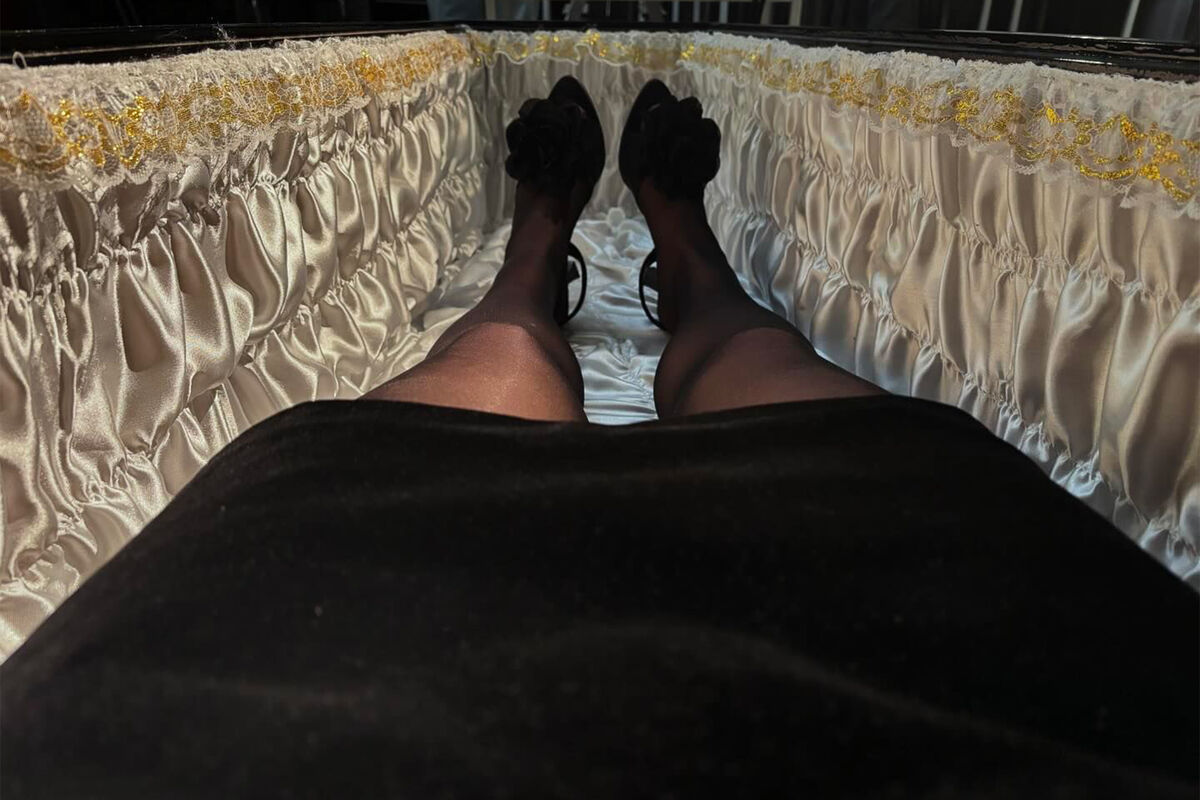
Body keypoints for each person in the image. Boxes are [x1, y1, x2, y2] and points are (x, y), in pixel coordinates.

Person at [2, 77, 1195, 799]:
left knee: (476, 385)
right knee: (792, 390)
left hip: (294, 614)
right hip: (963, 591)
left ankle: (543, 256)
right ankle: (681, 260)